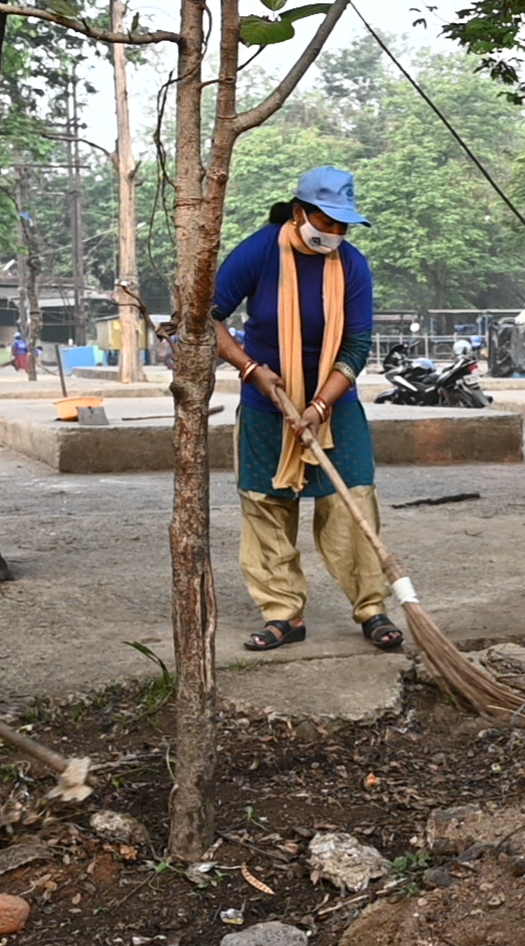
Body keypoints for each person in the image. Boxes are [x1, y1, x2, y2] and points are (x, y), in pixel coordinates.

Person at [211, 165, 402, 653]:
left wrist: (319, 404)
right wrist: (251, 368)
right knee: (266, 503)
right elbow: (208, 317)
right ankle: (283, 614)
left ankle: (372, 608)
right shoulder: (260, 251)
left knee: (352, 499)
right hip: (266, 401)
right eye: (326, 221)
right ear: (299, 213)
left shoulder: (353, 265)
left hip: (335, 402)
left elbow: (356, 345)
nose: (334, 232)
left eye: (343, 225)